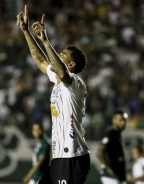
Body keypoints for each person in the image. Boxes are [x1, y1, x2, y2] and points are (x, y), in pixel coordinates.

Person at [17, 5, 91, 184]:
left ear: (71, 64)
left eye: (63, 54)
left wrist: (45, 41)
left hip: (72, 157)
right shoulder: (57, 81)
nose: (58, 54)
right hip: (59, 157)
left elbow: (62, 72)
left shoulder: (74, 82)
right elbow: (40, 60)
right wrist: (26, 31)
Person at [96, 110, 128, 184]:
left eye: (124, 120)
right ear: (114, 120)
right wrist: (108, 169)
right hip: (111, 177)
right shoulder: (110, 134)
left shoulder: (118, 135)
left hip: (118, 177)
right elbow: (99, 152)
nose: (123, 123)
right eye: (121, 120)